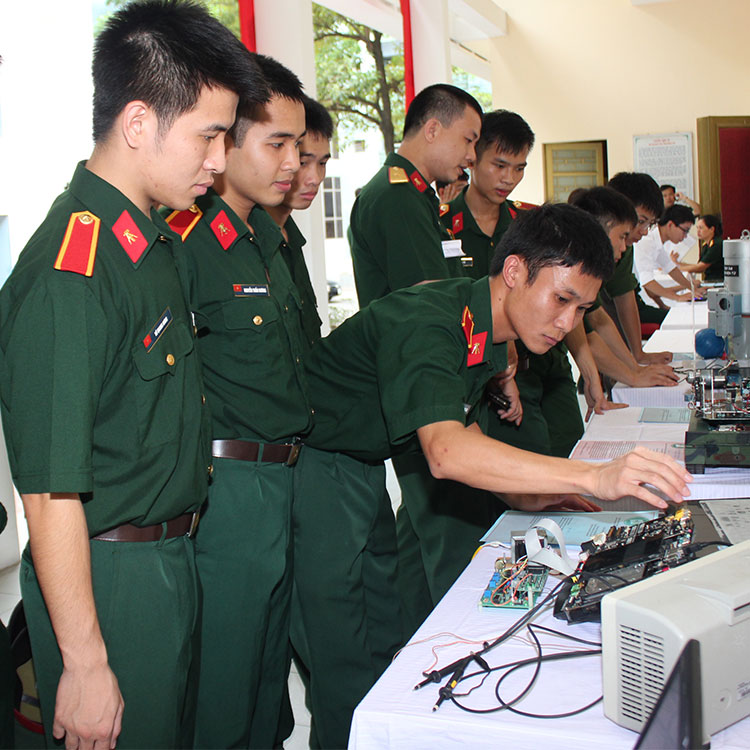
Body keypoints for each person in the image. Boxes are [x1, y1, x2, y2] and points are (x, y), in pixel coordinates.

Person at [296, 204, 692, 748]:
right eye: (560, 299)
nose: (567, 323)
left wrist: (533, 494)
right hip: (311, 467)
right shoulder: (431, 321)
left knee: (383, 637)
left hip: (358, 465)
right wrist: (591, 477)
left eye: (581, 308)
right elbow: (445, 451)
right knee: (343, 657)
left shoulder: (483, 328)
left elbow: (464, 433)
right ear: (513, 272)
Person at [0, 2, 263, 748]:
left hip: (168, 557)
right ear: (139, 122)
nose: (219, 160)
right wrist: (84, 663)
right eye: (209, 135)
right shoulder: (72, 273)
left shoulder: (146, 247)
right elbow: (49, 491)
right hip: (109, 579)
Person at [165, 54, 308, 749]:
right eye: (277, 143)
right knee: (222, 688)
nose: (293, 163)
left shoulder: (262, 243)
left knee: (265, 688)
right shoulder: (187, 242)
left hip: (280, 480)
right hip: (227, 491)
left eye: (298, 145)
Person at [349, 83, 482, 307]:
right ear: (432, 130)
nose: (472, 156)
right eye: (468, 140)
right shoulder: (398, 197)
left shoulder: (413, 194)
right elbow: (429, 301)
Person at [571, 187, 680, 389]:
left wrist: (635, 366)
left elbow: (596, 318)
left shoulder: (590, 262)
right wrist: (632, 375)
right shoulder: (570, 266)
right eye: (622, 235)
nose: (623, 247)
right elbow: (585, 331)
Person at [265, 95, 333, 350]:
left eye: (322, 163)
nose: (314, 178)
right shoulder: (250, 236)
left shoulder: (291, 236)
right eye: (304, 162)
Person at [602, 172, 674, 360]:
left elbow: (624, 296)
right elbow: (592, 318)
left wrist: (638, 354)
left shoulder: (625, 246)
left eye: (650, 224)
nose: (644, 232)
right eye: (641, 221)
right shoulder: (591, 245)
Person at [634, 204, 707, 308]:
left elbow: (670, 268)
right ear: (670, 225)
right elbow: (647, 282)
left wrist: (692, 288)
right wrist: (678, 297)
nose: (685, 236)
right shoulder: (647, 240)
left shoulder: (657, 241)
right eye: (685, 230)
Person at [672, 214, 724, 282]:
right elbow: (698, 265)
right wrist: (677, 264)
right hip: (710, 279)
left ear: (711, 229)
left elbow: (700, 267)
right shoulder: (706, 245)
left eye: (701, 228)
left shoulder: (716, 244)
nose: (698, 231)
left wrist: (675, 270)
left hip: (717, 280)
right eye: (697, 228)